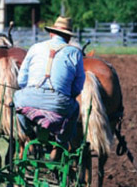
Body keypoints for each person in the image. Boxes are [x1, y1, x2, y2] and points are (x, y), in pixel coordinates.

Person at [14, 15, 86, 151]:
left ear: (51, 33)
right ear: (68, 37)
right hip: (59, 104)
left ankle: (29, 134)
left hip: (29, 99)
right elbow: (77, 87)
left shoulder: (34, 48)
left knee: (16, 100)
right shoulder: (75, 53)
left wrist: (32, 92)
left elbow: (21, 81)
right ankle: (60, 142)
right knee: (75, 108)